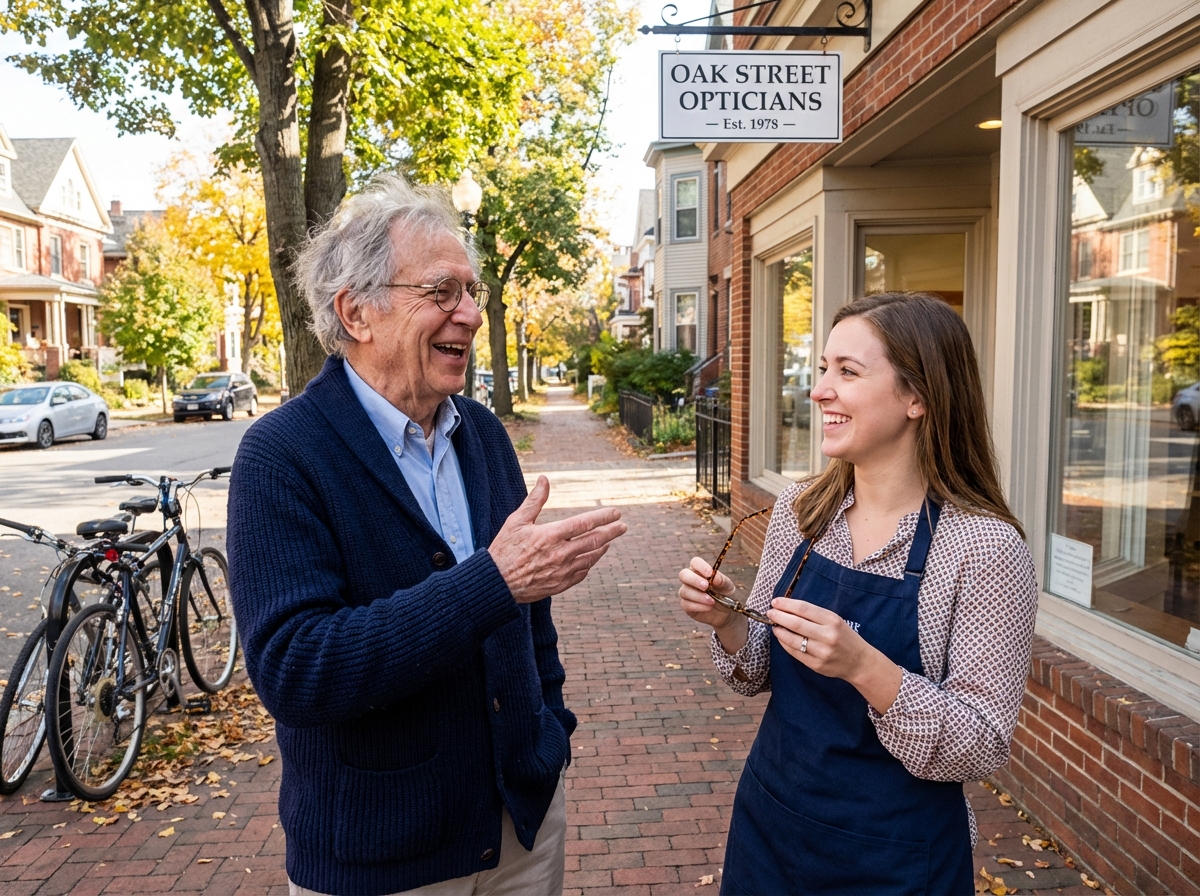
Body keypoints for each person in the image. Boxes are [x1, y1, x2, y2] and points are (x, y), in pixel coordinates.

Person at [226, 174, 626, 896]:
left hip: (521, 829)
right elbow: (295, 669)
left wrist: (550, 733)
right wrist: (492, 582)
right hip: (382, 856)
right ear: (357, 313)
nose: (470, 314)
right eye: (442, 292)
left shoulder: (481, 435)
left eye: (472, 292)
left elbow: (529, 618)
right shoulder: (281, 455)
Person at [678, 292, 1038, 896]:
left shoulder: (983, 549)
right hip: (771, 827)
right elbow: (756, 671)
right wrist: (729, 623)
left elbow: (980, 745)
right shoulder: (803, 511)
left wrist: (866, 667)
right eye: (823, 369)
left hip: (898, 857)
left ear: (918, 397)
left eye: (848, 372)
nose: (820, 390)